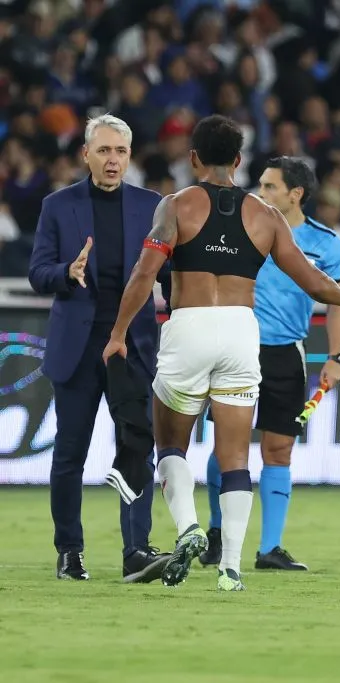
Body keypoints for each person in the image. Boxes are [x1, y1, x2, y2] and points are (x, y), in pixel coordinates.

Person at [101, 115, 340, 592]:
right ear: (240, 161)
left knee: (172, 445)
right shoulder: (265, 215)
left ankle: (189, 529)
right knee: (237, 456)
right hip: (244, 333)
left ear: (194, 158)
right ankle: (232, 569)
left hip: (190, 327)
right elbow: (310, 278)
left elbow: (144, 275)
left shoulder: (176, 206)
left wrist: (118, 333)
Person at [27, 114, 171, 584]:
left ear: (130, 157)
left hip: (132, 347)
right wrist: (67, 271)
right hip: (78, 345)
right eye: (104, 151)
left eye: (121, 152)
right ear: (85, 154)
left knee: (136, 449)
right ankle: (69, 551)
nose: (113, 160)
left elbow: (171, 275)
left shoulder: (154, 206)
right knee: (70, 453)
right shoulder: (57, 205)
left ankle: (136, 551)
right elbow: (37, 272)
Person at [199, 156, 340, 571]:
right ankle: (216, 531)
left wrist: (336, 357)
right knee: (228, 444)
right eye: (260, 185)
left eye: (269, 187)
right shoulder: (241, 227)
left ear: (295, 194)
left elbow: (339, 304)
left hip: (287, 353)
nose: (260, 193)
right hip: (237, 346)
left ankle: (270, 548)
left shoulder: (328, 245)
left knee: (278, 448)